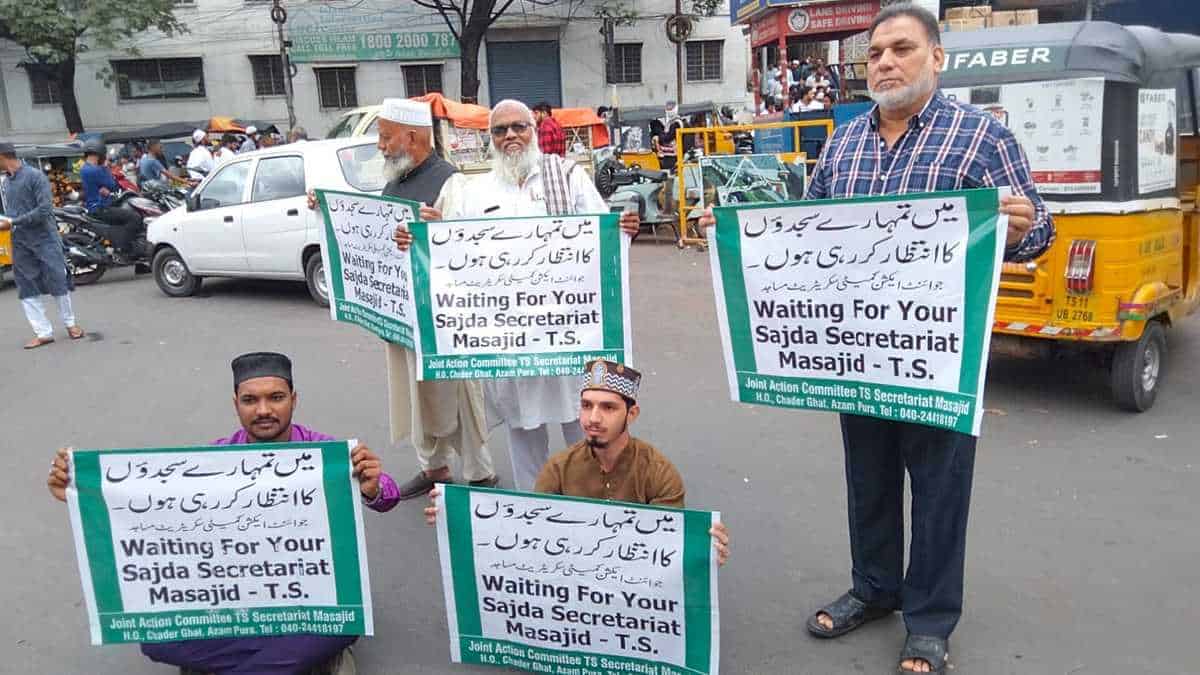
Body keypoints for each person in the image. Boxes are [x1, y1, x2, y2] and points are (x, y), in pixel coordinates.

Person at [700, 4, 1053, 672]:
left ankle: (930, 620)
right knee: (868, 480)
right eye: (875, 54)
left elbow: (1038, 230)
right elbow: (808, 234)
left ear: (937, 57)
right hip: (858, 353)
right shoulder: (844, 143)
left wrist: (1022, 225)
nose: (885, 63)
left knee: (940, 490)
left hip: (938, 358)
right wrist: (740, 236)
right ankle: (874, 587)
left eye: (901, 49)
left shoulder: (982, 138)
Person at [46, 352, 397, 674]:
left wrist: (373, 487)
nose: (263, 410)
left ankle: (265, 660)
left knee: (342, 624)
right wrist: (85, 497)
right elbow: (153, 514)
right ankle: (287, 663)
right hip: (234, 601)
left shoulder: (326, 454)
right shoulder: (213, 460)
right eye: (250, 400)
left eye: (276, 397)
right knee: (155, 640)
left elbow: (388, 496)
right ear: (235, 404)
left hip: (307, 603)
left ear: (294, 399)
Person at [393, 100, 640, 491]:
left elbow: (601, 234)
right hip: (512, 342)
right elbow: (452, 253)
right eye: (500, 129)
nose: (510, 135)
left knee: (583, 425)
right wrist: (424, 238)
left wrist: (622, 229)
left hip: (568, 336)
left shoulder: (567, 177)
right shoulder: (476, 192)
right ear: (490, 138)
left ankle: (592, 503)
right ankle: (534, 508)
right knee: (525, 433)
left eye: (519, 127)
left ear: (534, 131)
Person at [307, 98, 500, 500]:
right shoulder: (394, 182)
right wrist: (324, 207)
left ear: (412, 137)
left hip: (443, 319)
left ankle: (480, 474)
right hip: (403, 314)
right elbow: (367, 229)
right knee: (416, 395)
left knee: (459, 395)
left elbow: (473, 247)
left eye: (385, 137)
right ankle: (434, 468)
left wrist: (440, 229)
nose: (380, 146)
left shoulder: (451, 184)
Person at [425, 359, 730, 566]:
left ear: (632, 414)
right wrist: (460, 515)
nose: (594, 418)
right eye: (586, 406)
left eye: (608, 408)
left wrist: (703, 552)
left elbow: (670, 548)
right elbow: (529, 533)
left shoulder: (658, 474)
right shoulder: (558, 470)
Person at [0, 142, 83, 349]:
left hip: (45, 238)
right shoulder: (6, 182)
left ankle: (70, 324)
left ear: (2, 156)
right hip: (20, 241)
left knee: (57, 279)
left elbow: (45, 209)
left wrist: (13, 222)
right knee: (26, 286)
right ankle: (43, 333)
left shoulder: (35, 176)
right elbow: (11, 212)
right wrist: (8, 222)